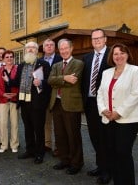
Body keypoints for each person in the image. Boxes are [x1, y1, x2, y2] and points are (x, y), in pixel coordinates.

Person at [97, 43, 138, 185]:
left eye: (122, 53)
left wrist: (119, 112)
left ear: (128, 54)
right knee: (112, 152)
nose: (119, 56)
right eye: (116, 54)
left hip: (128, 119)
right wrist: (103, 109)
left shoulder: (135, 71)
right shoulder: (107, 73)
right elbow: (100, 93)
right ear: (112, 56)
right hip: (108, 118)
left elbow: (135, 94)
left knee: (123, 153)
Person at [48, 38, 84, 175]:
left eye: (66, 48)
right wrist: (64, 78)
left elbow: (72, 82)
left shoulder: (78, 63)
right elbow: (50, 81)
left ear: (71, 48)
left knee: (73, 134)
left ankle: (76, 163)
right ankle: (64, 159)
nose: (64, 51)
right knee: (60, 134)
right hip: (56, 103)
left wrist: (59, 80)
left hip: (71, 105)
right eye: (61, 49)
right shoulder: (56, 65)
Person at [13, 41, 51, 164]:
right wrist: (7, 81)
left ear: (37, 50)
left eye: (32, 48)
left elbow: (50, 81)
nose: (30, 50)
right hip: (24, 102)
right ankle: (30, 150)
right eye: (28, 48)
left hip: (37, 103)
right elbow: (17, 82)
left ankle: (40, 153)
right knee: (27, 128)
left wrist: (41, 82)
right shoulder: (21, 65)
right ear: (25, 50)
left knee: (38, 129)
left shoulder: (43, 64)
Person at [82, 28, 111, 184]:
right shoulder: (87, 58)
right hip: (90, 104)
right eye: (94, 39)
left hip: (106, 105)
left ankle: (108, 171)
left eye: (100, 38)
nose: (97, 40)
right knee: (94, 137)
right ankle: (100, 166)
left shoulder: (113, 55)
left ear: (105, 39)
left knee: (106, 138)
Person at [39, 38, 62, 156]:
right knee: (46, 122)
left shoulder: (60, 59)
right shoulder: (39, 61)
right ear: (43, 48)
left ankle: (58, 147)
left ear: (55, 47)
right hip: (44, 96)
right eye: (46, 45)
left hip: (57, 95)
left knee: (58, 123)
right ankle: (47, 144)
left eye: (51, 45)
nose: (48, 47)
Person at [0, 50, 19, 153]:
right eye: (7, 57)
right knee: (3, 123)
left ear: (13, 58)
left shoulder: (17, 69)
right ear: (3, 59)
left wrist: (16, 94)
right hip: (3, 100)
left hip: (14, 99)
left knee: (14, 123)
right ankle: (4, 145)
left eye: (11, 57)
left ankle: (14, 144)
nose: (9, 59)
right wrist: (2, 94)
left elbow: (19, 83)